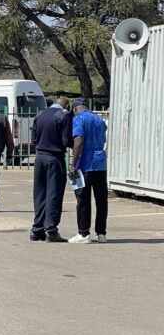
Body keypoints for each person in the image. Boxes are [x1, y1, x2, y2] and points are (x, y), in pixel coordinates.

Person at [30, 97, 73, 242]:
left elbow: (34, 139)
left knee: (40, 194)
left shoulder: (40, 114)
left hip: (39, 157)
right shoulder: (63, 116)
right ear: (67, 106)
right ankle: (51, 230)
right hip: (55, 157)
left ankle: (37, 229)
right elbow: (66, 140)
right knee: (54, 194)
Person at [67, 99, 109, 244]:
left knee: (82, 198)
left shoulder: (78, 119)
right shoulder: (99, 120)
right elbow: (103, 140)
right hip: (100, 163)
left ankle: (83, 233)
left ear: (74, 109)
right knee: (101, 199)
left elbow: (78, 140)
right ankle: (101, 233)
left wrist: (73, 164)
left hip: (84, 163)